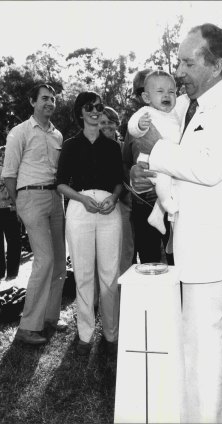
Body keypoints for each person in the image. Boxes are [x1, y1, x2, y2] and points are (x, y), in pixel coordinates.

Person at [130, 23, 222, 423]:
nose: (178, 71)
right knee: (211, 329)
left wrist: (157, 151)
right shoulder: (183, 105)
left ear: (215, 65)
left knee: (200, 339)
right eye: (178, 61)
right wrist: (141, 171)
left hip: (211, 243)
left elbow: (210, 167)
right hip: (184, 236)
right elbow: (159, 150)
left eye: (187, 62)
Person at [57, 92, 123, 356]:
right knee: (83, 275)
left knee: (109, 275)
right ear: (80, 112)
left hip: (109, 212)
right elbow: (60, 183)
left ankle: (111, 333)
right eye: (89, 107)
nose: (95, 111)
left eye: (98, 107)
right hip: (79, 210)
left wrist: (115, 197)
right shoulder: (71, 145)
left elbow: (119, 180)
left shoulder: (112, 147)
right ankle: (85, 334)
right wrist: (81, 198)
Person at [2, 83, 66, 345]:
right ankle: (28, 326)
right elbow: (8, 174)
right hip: (29, 196)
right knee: (45, 259)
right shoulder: (19, 132)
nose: (50, 103)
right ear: (32, 102)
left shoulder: (58, 135)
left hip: (55, 197)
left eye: (53, 99)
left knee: (60, 260)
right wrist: (19, 206)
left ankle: (50, 316)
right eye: (44, 99)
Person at [123, 69, 174, 264]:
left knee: (176, 258)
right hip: (143, 202)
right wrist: (134, 178)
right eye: (138, 92)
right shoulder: (133, 126)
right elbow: (126, 162)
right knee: (148, 259)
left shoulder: (176, 118)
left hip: (173, 201)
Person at [127, 70, 181, 235]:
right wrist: (140, 126)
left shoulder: (176, 113)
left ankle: (158, 214)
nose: (167, 95)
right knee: (164, 181)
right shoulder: (146, 112)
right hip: (152, 162)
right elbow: (132, 127)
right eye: (160, 91)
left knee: (170, 185)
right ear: (147, 98)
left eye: (171, 92)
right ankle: (166, 204)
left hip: (174, 165)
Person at [100, 106, 135, 274]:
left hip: (124, 205)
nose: (107, 126)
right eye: (102, 122)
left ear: (117, 124)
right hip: (101, 206)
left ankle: (124, 295)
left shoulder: (124, 147)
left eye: (111, 122)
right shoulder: (93, 147)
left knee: (125, 252)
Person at [0, 146, 21, 281]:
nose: (3, 157)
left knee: (14, 241)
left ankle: (12, 273)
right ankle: (2, 273)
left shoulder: (16, 170)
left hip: (11, 208)